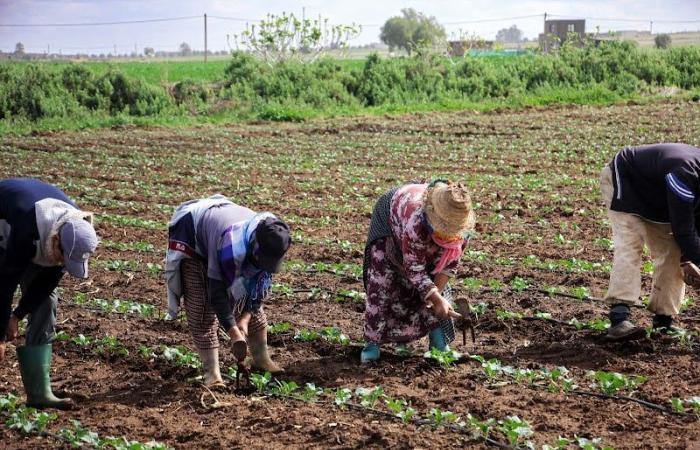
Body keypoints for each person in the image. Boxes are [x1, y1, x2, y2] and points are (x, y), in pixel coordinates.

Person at [165, 195, 291, 387]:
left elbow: (259, 288)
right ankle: (212, 374)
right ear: (254, 247)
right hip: (194, 236)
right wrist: (234, 334)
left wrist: (245, 319)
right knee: (201, 306)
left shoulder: (273, 237)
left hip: (222, 229)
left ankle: (261, 358)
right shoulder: (232, 245)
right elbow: (217, 294)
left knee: (246, 298)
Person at [0, 178, 98, 409]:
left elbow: (46, 284)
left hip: (34, 234)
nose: (62, 264)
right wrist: (1, 335)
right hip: (6, 231)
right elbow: (5, 284)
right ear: (55, 241)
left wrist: (16, 316)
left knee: (45, 301)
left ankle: (39, 393)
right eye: (63, 258)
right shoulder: (28, 229)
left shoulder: (76, 232)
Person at [361, 179, 475, 363]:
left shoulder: (461, 230)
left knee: (434, 290)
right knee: (382, 284)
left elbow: (448, 266)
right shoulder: (416, 222)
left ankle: (439, 346)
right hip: (390, 220)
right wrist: (435, 298)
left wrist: (436, 297)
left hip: (418, 233)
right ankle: (372, 345)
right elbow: (414, 269)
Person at [600, 143, 700, 341]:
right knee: (630, 244)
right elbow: (684, 229)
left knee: (672, 251)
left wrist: (690, 260)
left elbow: (696, 225)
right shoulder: (685, 172)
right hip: (626, 180)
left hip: (658, 195)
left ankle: (663, 322)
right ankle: (619, 318)